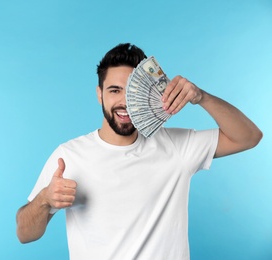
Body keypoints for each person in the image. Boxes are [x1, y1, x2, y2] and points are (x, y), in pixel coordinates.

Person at [16, 43, 262, 259]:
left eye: (133, 91)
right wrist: (44, 199)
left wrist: (201, 97)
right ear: (99, 95)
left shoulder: (177, 146)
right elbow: (24, 234)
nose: (125, 102)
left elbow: (249, 137)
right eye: (114, 90)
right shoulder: (69, 156)